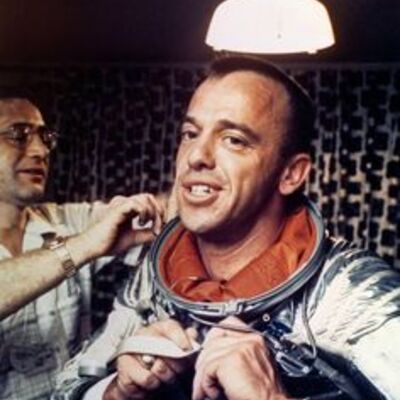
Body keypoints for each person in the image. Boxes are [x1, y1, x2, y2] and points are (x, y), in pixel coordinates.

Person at [54, 56, 400, 400]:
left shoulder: (353, 293)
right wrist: (117, 391)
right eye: (190, 134)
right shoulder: (156, 274)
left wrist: (269, 397)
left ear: (291, 174)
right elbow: (64, 389)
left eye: (233, 139)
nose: (196, 156)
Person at [0, 97, 169, 400]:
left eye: (45, 137)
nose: (40, 151)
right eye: (18, 135)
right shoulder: (80, 235)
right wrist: (83, 246)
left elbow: (167, 209)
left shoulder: (65, 221)